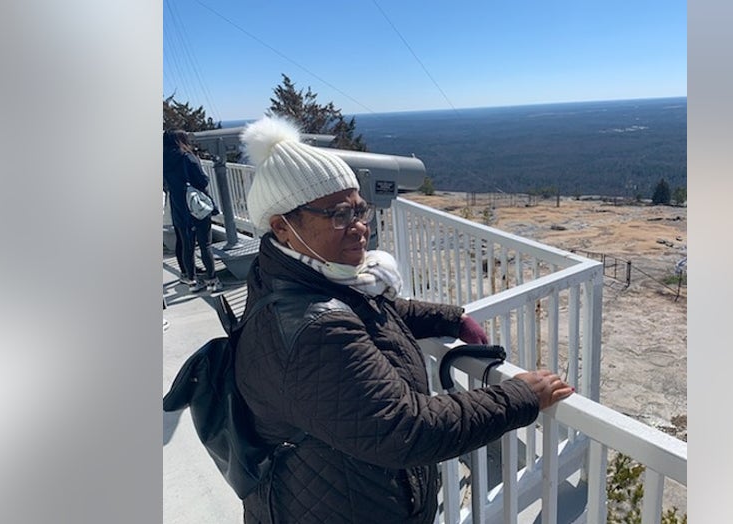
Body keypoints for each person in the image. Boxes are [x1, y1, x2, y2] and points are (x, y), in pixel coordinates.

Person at [234, 116, 573, 523]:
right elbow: (406, 428)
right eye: (338, 215)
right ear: (282, 227)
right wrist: (520, 397)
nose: (359, 227)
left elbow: (369, 314)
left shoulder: (291, 277)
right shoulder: (313, 328)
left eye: (359, 210)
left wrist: (450, 319)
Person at [162, 129, 223, 293]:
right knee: (205, 245)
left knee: (187, 246)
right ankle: (212, 280)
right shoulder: (186, 157)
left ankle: (192, 281)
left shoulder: (161, 160)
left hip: (178, 207)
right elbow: (202, 180)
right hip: (196, 206)